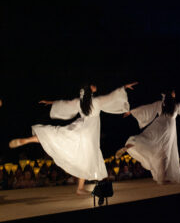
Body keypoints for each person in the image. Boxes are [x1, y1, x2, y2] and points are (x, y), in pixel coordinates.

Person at [9, 82, 138, 194]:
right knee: (88, 159)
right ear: (90, 89)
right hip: (89, 134)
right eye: (93, 85)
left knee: (56, 136)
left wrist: (52, 102)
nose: (95, 86)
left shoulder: (79, 102)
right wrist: (124, 87)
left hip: (79, 129)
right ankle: (86, 188)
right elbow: (112, 96)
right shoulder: (97, 101)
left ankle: (28, 140)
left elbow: (65, 104)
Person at [115, 86, 180, 184]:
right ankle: (162, 179)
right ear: (172, 95)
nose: (175, 93)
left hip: (158, 126)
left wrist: (131, 112)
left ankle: (130, 145)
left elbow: (146, 108)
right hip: (168, 129)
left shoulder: (160, 104)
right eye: (174, 92)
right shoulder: (176, 105)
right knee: (164, 154)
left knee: (146, 139)